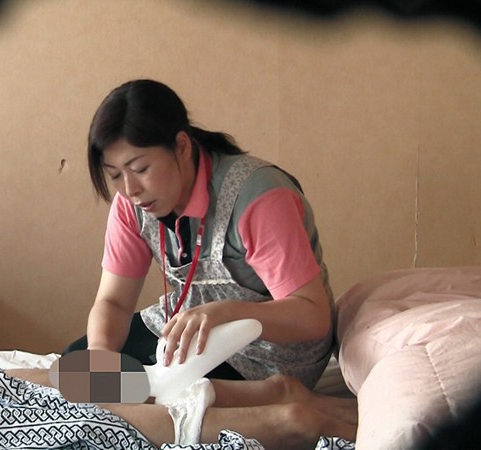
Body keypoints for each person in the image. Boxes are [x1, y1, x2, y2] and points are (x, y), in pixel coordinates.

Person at [64, 79, 334, 389]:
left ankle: (292, 401)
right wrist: (100, 357)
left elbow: (312, 316)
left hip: (272, 351)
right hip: (193, 326)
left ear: (181, 146)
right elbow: (114, 303)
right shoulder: (131, 204)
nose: (130, 189)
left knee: (175, 394)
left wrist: (226, 313)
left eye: (140, 169)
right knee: (77, 368)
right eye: (114, 175)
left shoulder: (259, 196)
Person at [0, 340, 357, 449]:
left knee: (140, 384)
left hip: (8, 378)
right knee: (84, 394)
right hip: (13, 396)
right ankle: (286, 411)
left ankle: (282, 405)